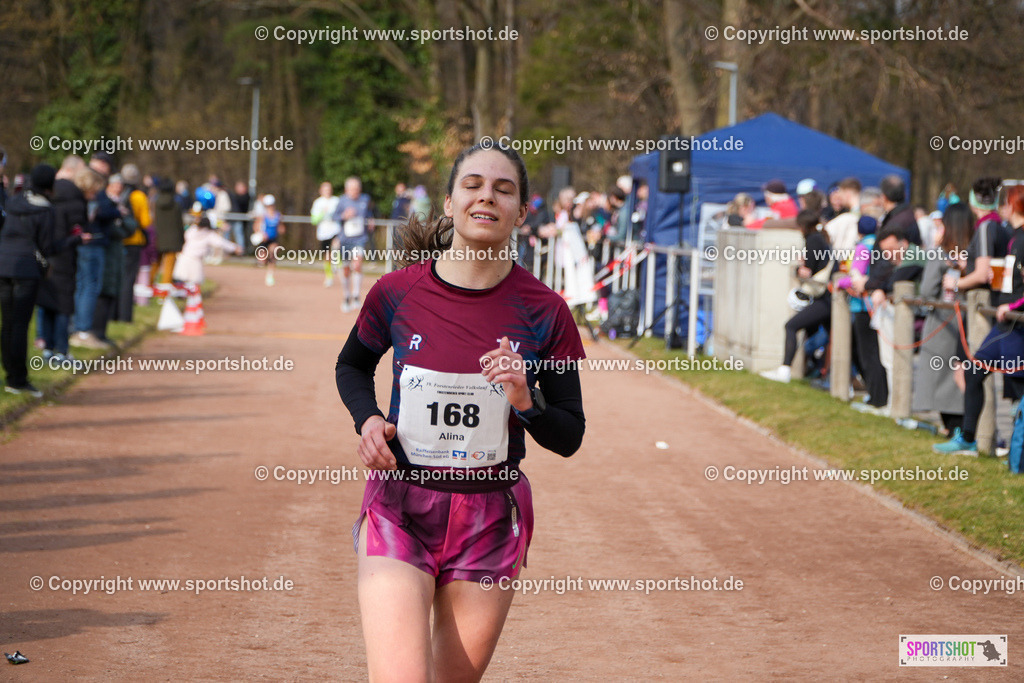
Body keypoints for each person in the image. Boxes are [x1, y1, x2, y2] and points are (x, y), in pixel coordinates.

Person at [335, 142, 586, 682]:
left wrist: (527, 401)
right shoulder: (396, 292)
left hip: (489, 515)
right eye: (472, 184)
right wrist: (369, 419)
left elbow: (569, 434)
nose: (486, 196)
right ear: (449, 204)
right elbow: (351, 366)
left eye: (503, 188)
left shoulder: (547, 312)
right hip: (399, 504)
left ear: (521, 213)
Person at [935, 187, 1024, 455]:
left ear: (1013, 204)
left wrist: (1013, 305)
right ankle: (969, 438)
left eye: (1004, 202)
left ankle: (1014, 448)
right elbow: (1006, 278)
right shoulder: (1012, 236)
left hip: (1015, 323)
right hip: (1004, 321)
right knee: (974, 372)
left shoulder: (1020, 238)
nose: (1000, 207)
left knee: (1018, 384)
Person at [0, 165, 84, 396]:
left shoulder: (13, 202)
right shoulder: (45, 210)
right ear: (50, 185)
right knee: (19, 325)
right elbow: (46, 247)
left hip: (3, 266)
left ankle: (9, 374)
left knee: (7, 323)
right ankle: (18, 379)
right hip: (26, 270)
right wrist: (74, 240)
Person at [912, 202, 972, 435]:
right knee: (962, 378)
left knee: (942, 380)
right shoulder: (974, 251)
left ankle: (955, 430)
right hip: (968, 321)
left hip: (942, 322)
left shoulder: (940, 253)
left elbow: (926, 291)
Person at [37, 166, 103, 362]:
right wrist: (81, 236)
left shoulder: (53, 195)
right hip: (64, 254)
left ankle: (48, 348)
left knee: (47, 304)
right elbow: (76, 229)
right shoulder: (76, 201)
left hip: (45, 253)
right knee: (64, 305)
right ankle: (62, 350)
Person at [761, 209, 833, 383]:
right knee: (834, 337)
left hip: (823, 298)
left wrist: (796, 267)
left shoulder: (814, 239)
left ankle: (784, 370)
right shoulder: (821, 239)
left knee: (791, 326)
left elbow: (806, 271)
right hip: (826, 298)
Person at [331, 177, 372, 310]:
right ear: (346, 189)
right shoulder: (342, 200)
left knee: (358, 264)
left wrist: (371, 220)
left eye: (357, 188)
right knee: (346, 268)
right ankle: (346, 296)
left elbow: (369, 213)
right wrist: (344, 215)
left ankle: (356, 296)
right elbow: (334, 217)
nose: (355, 191)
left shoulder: (365, 199)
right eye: (352, 189)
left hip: (360, 239)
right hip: (345, 240)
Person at [118, 163, 151, 322]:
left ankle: (114, 314)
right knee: (128, 279)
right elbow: (145, 222)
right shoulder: (139, 196)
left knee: (117, 277)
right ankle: (125, 315)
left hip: (117, 239)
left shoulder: (118, 192)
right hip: (133, 241)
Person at [173, 216, 241, 286]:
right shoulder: (208, 234)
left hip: (183, 258)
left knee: (181, 284)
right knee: (194, 287)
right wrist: (235, 248)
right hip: (195, 261)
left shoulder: (191, 230)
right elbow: (221, 242)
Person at [152, 178, 185, 289]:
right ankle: (164, 294)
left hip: (158, 237)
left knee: (155, 264)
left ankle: (148, 288)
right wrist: (182, 239)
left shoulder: (155, 203)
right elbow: (179, 223)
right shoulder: (176, 204)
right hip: (173, 239)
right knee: (169, 267)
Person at [311, 181, 341, 287]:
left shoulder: (336, 201)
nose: (327, 191)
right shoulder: (317, 203)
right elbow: (313, 220)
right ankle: (329, 277)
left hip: (335, 229)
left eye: (329, 189)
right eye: (325, 189)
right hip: (323, 232)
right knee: (327, 256)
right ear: (321, 191)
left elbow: (341, 214)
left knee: (336, 245)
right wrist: (322, 213)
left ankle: (336, 264)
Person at [253, 194, 284, 286]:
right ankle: (264, 262)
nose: (270, 207)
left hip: (273, 239)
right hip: (264, 239)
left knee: (273, 253)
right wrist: (261, 234)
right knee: (262, 260)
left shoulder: (278, 215)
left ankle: (270, 276)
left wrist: (281, 229)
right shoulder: (263, 215)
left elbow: (281, 227)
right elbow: (256, 226)